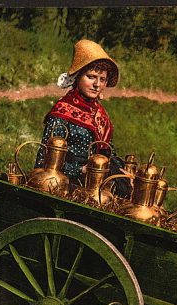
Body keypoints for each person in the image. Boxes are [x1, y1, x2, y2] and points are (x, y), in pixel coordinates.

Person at [35, 39, 129, 196]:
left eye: (102, 79)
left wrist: (122, 171)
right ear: (78, 77)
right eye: (91, 77)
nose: (97, 84)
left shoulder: (101, 116)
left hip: (96, 188)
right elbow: (44, 160)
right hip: (63, 188)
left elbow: (109, 153)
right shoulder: (62, 113)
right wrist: (81, 170)